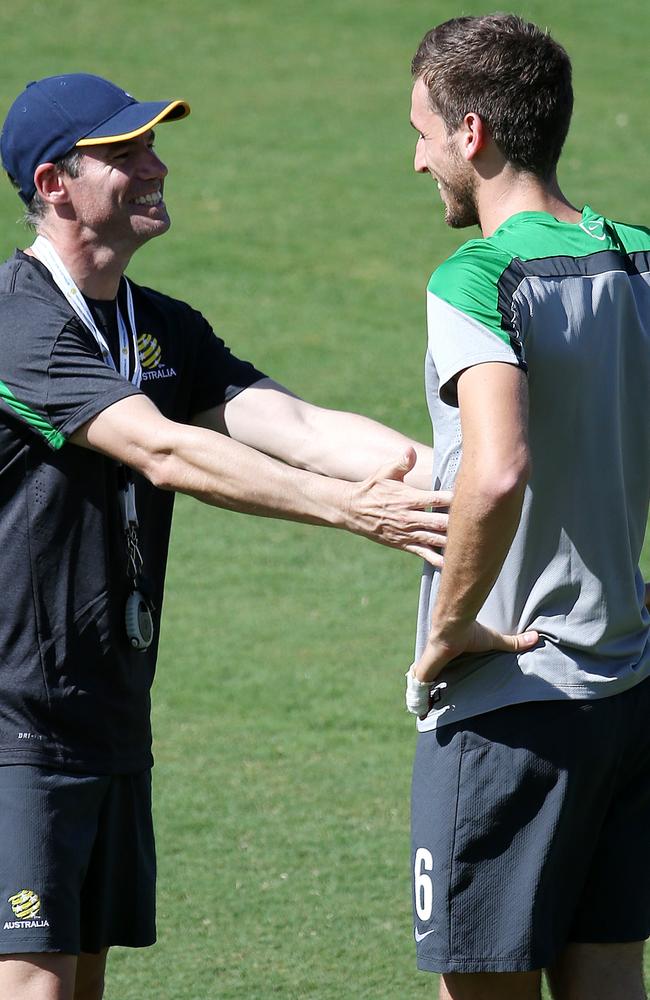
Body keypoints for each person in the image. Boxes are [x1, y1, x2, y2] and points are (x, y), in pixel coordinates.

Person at [0, 73, 464, 1000]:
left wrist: (469, 480)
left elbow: (299, 427)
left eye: (152, 146)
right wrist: (349, 510)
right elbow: (166, 451)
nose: (155, 167)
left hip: (108, 719)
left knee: (78, 985)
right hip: (16, 727)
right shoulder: (17, 321)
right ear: (54, 184)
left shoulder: (161, 326)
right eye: (125, 155)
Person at [404, 14, 650, 1000]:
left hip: (511, 706)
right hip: (626, 691)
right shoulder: (635, 258)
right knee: (606, 979)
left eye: (420, 131)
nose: (414, 160)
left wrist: (452, 624)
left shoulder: (476, 277)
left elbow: (494, 470)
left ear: (472, 134)